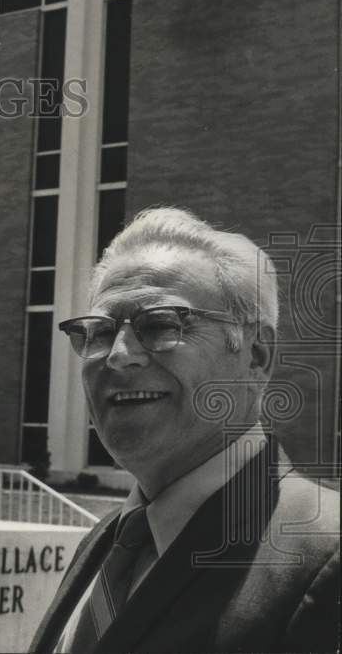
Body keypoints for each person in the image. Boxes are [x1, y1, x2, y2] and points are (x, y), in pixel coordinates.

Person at [30, 207, 340, 653]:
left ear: (256, 355)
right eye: (98, 331)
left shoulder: (326, 558)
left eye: (160, 325)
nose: (118, 355)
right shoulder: (104, 541)